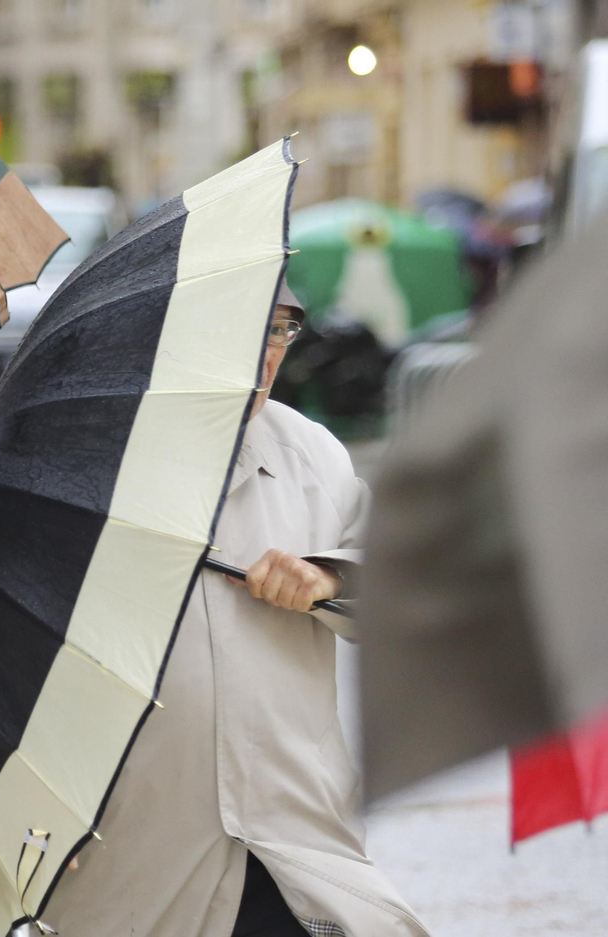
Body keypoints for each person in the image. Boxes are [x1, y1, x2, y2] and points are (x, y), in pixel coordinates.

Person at [42, 285, 428, 936]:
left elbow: (398, 580)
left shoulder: (312, 455)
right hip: (136, 838)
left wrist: (329, 573)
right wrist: (45, 809)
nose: (263, 355)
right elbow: (10, 652)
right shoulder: (85, 464)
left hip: (290, 831)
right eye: (240, 328)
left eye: (280, 330)